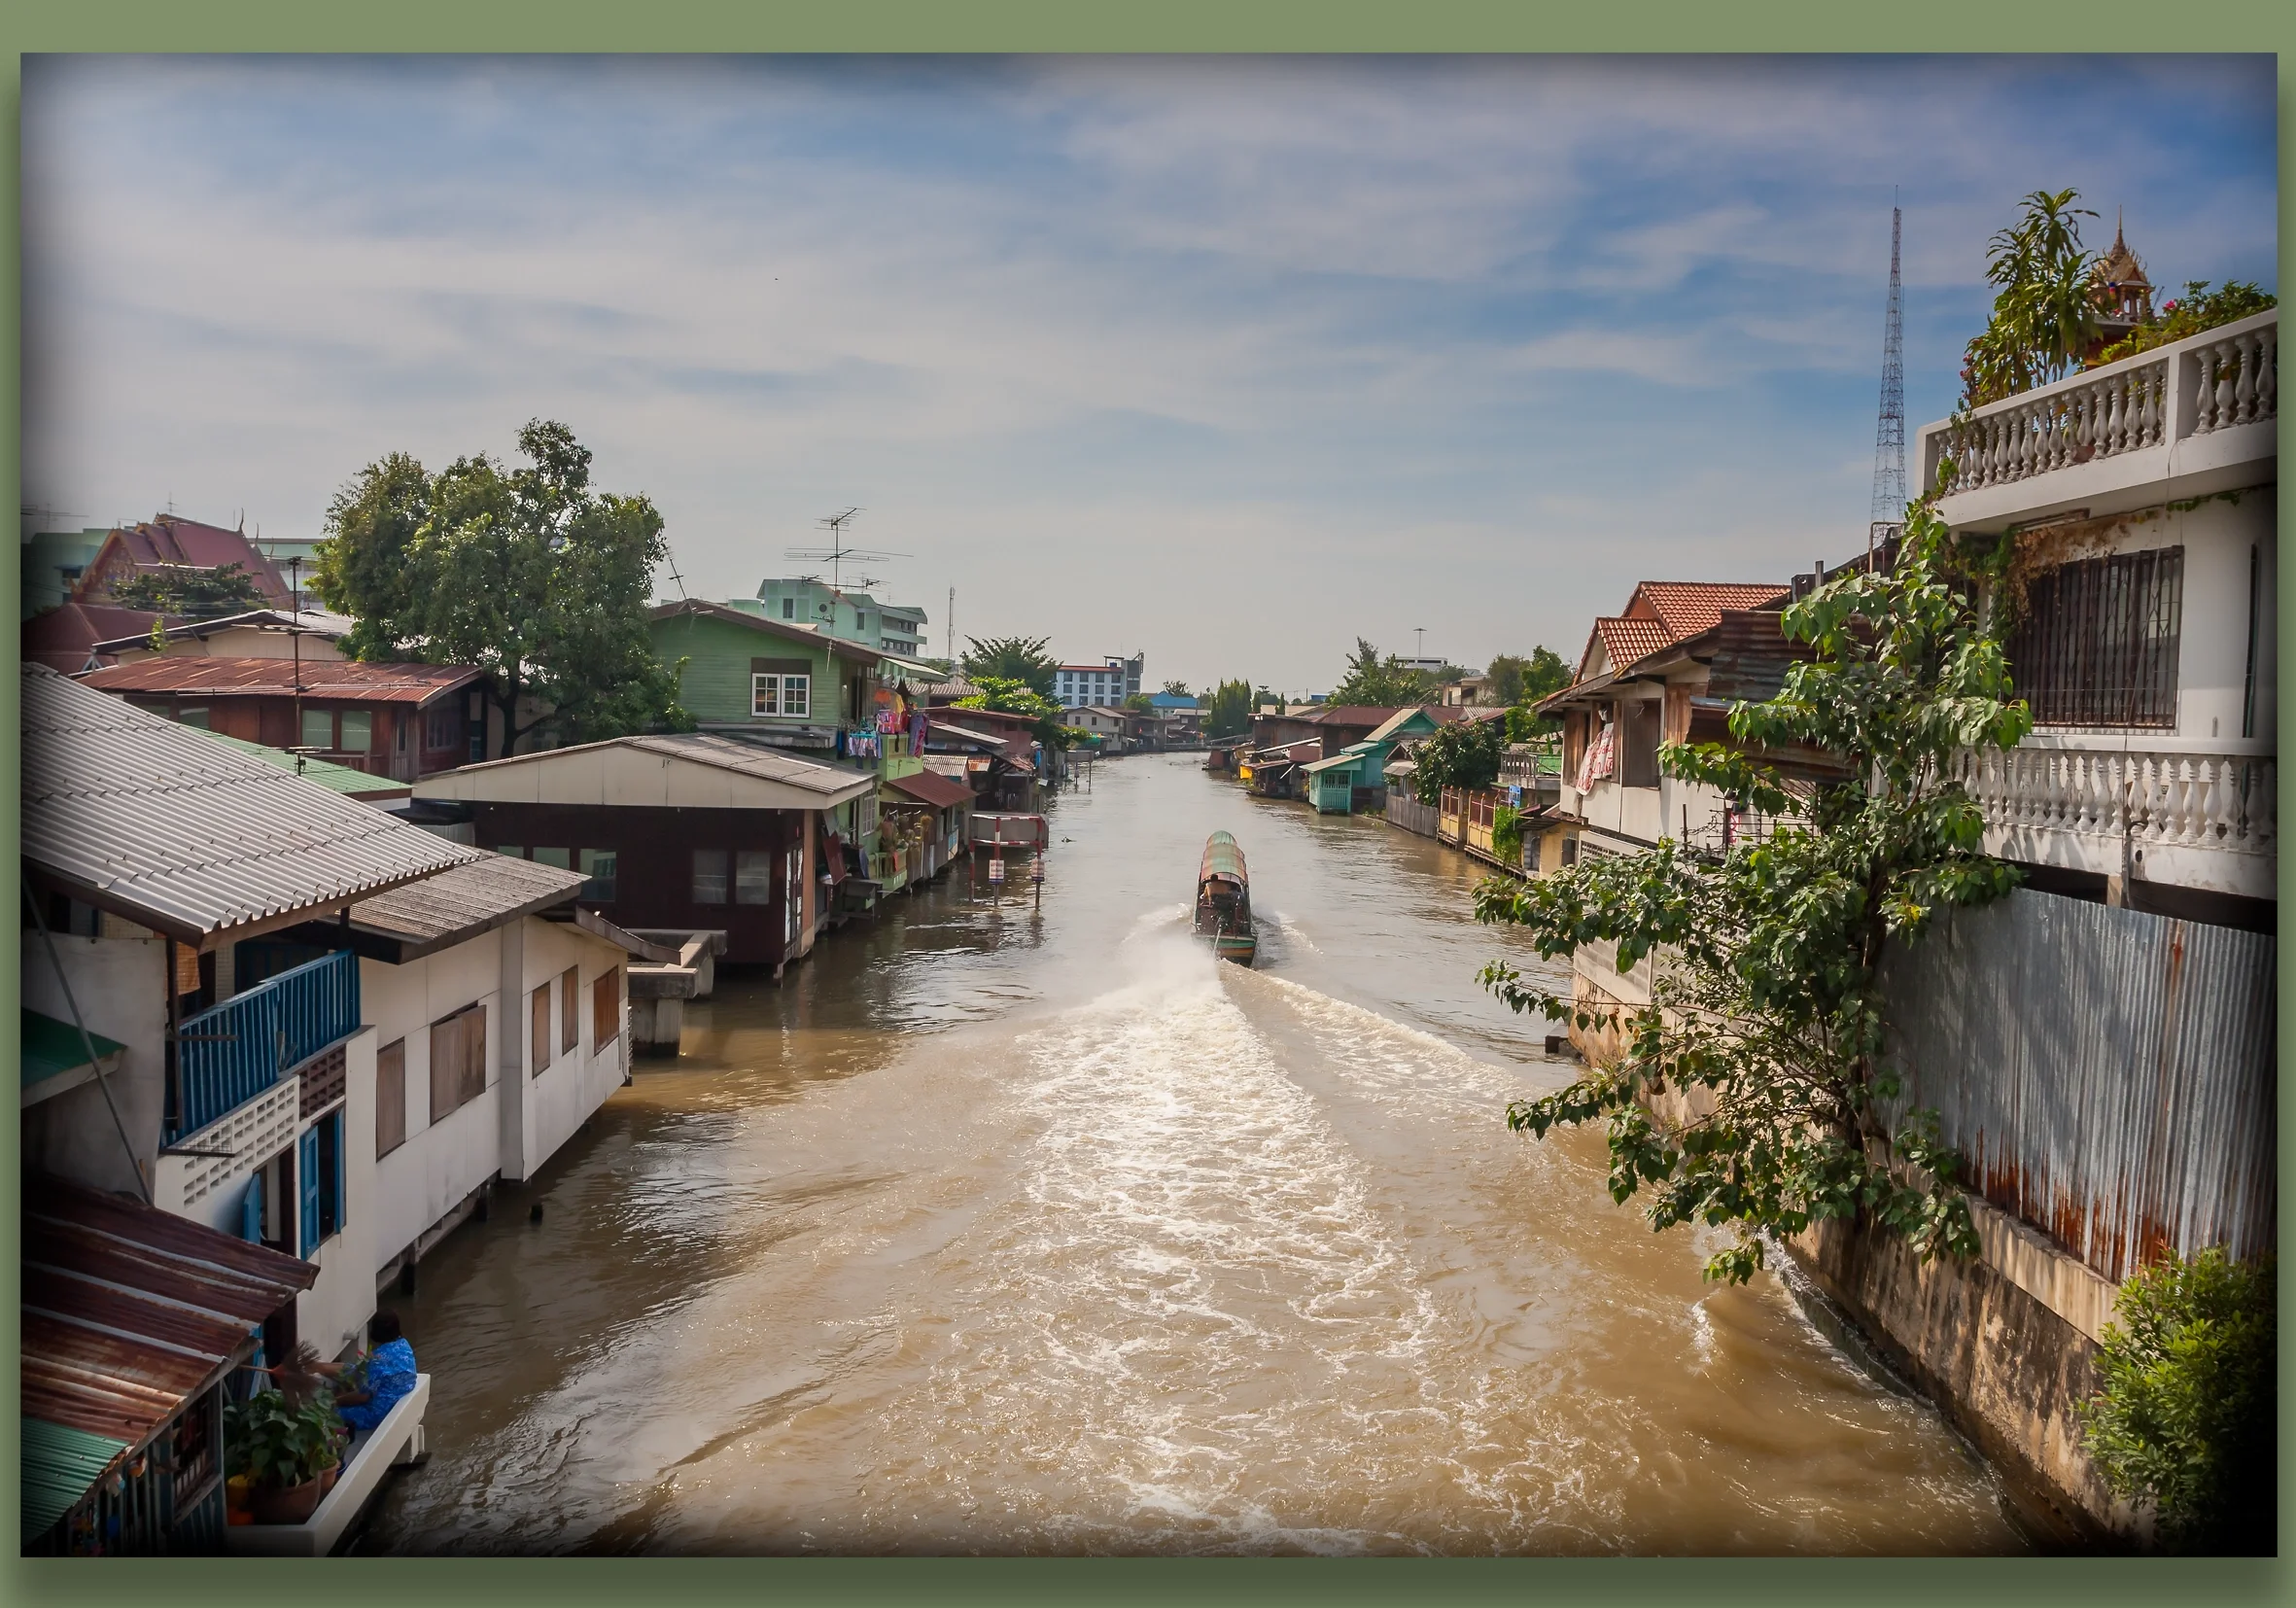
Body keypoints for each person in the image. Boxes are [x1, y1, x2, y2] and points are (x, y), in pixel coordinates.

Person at [312, 1310, 417, 1436]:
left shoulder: (377, 1359)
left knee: (326, 1414)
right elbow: (360, 1372)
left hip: (376, 1413)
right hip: (395, 1398)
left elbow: (363, 1396)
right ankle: (317, 1367)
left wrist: (334, 1401)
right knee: (354, 1369)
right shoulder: (403, 1344)